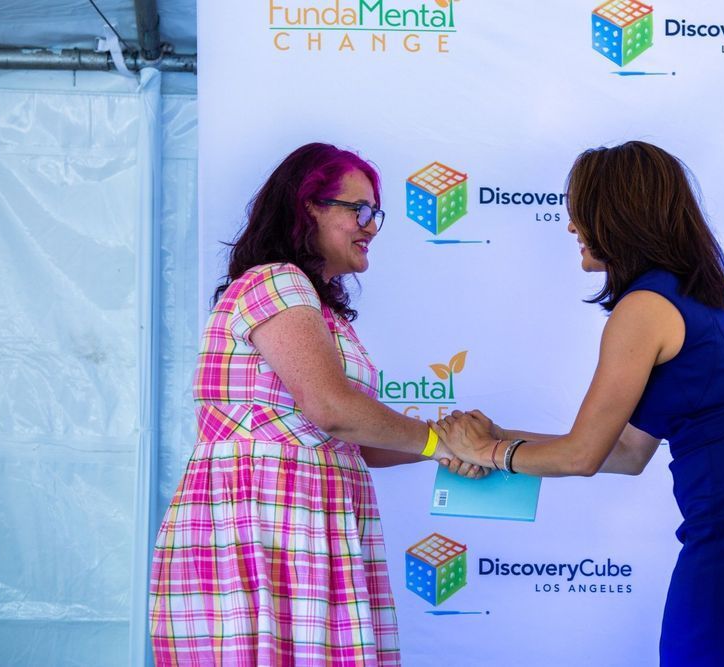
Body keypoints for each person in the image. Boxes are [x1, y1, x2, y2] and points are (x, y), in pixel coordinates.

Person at [434, 141, 724, 666]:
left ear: (618, 215)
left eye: (581, 211)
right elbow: (624, 451)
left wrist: (487, 452)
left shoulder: (644, 308)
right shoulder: (687, 297)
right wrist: (496, 440)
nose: (571, 226)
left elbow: (582, 456)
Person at [149, 143, 482, 666]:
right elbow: (331, 408)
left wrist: (452, 444)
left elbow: (356, 441)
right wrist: (442, 443)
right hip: (261, 527)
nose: (371, 227)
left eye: (376, 213)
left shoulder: (322, 310)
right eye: (360, 209)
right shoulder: (275, 281)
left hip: (307, 521)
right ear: (309, 206)